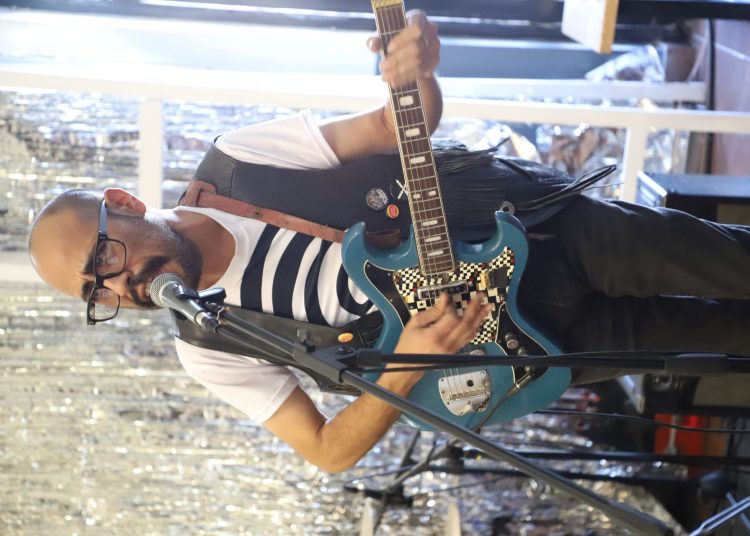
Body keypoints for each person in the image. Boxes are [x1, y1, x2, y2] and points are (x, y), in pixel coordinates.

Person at [28, 11, 750, 473]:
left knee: (732, 262)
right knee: (728, 341)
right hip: (528, 349)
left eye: (104, 259)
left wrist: (418, 73)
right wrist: (409, 369)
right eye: (98, 294)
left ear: (123, 205)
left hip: (546, 236)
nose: (120, 287)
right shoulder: (209, 347)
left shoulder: (238, 162)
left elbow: (394, 126)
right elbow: (327, 451)